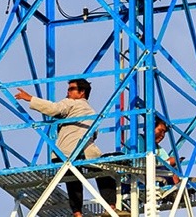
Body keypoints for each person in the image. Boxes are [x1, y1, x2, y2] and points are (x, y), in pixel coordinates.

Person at [15, 78, 119, 217]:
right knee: (102, 171)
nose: (68, 92)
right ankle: (110, 207)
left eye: (71, 89)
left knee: (73, 180)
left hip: (66, 152)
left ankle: (77, 213)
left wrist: (30, 99)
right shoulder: (92, 112)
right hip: (85, 152)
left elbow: (54, 109)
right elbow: (94, 134)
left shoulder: (71, 103)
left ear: (82, 92)